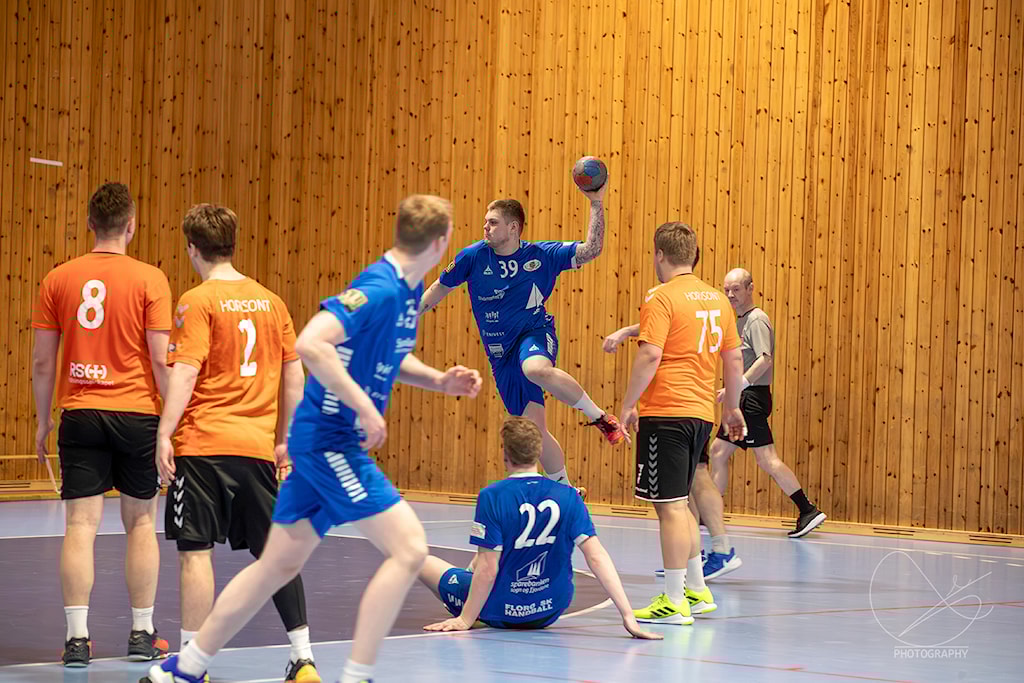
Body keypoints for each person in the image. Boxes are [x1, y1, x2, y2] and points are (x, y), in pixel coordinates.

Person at [146, 195, 483, 683]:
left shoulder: (407, 290)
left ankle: (186, 666)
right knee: (410, 549)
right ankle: (357, 675)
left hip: (314, 441)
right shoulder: (379, 288)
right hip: (331, 442)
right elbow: (311, 343)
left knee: (273, 567)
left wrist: (439, 381)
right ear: (442, 241)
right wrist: (364, 406)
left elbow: (385, 355)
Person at [154, 205, 320, 683]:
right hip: (256, 448)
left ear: (192, 248)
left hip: (203, 445)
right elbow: (294, 375)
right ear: (233, 243)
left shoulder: (196, 301)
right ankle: (303, 658)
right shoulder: (272, 302)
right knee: (276, 554)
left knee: (195, 552)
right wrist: (287, 439)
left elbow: (185, 372)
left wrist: (164, 432)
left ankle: (191, 664)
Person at [31, 182, 171, 666]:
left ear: (90, 223)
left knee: (80, 525)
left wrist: (43, 421)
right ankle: (141, 633)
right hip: (137, 414)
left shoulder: (58, 278)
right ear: (131, 225)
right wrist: (171, 425)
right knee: (142, 523)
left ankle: (76, 640)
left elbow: (43, 362)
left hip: (81, 413)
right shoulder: (151, 279)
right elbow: (161, 361)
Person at [418, 182, 624, 496]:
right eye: (485, 222)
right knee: (534, 432)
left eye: (493, 222)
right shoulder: (473, 256)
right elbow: (439, 288)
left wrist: (596, 202)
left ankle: (600, 418)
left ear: (513, 228)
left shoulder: (542, 255)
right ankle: (567, 492)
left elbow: (591, 250)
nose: (485, 227)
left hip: (534, 333)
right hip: (501, 356)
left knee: (535, 369)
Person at [417, 417, 661, 641]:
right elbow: (597, 557)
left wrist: (465, 619)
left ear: (505, 454)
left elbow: (488, 570)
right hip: (550, 608)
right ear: (539, 452)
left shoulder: (492, 495)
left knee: (422, 560)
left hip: (501, 609)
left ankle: (461, 599)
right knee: (488, 554)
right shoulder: (568, 496)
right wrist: (628, 615)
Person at [616, 222, 747, 626]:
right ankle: (696, 589)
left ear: (659, 254)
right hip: (700, 414)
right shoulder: (717, 300)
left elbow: (650, 355)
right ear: (692, 255)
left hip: (667, 412)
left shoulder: (661, 297)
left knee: (669, 507)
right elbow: (734, 359)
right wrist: (732, 408)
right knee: (681, 503)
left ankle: (673, 600)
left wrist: (628, 404)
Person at [709, 268, 826, 538]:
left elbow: (765, 359)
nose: (730, 295)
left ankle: (807, 510)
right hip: (744, 398)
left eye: (736, 289)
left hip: (751, 399)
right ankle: (710, 513)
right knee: (718, 452)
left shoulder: (757, 320)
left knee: (767, 459)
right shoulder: (738, 320)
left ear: (750, 288)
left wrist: (738, 385)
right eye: (726, 290)